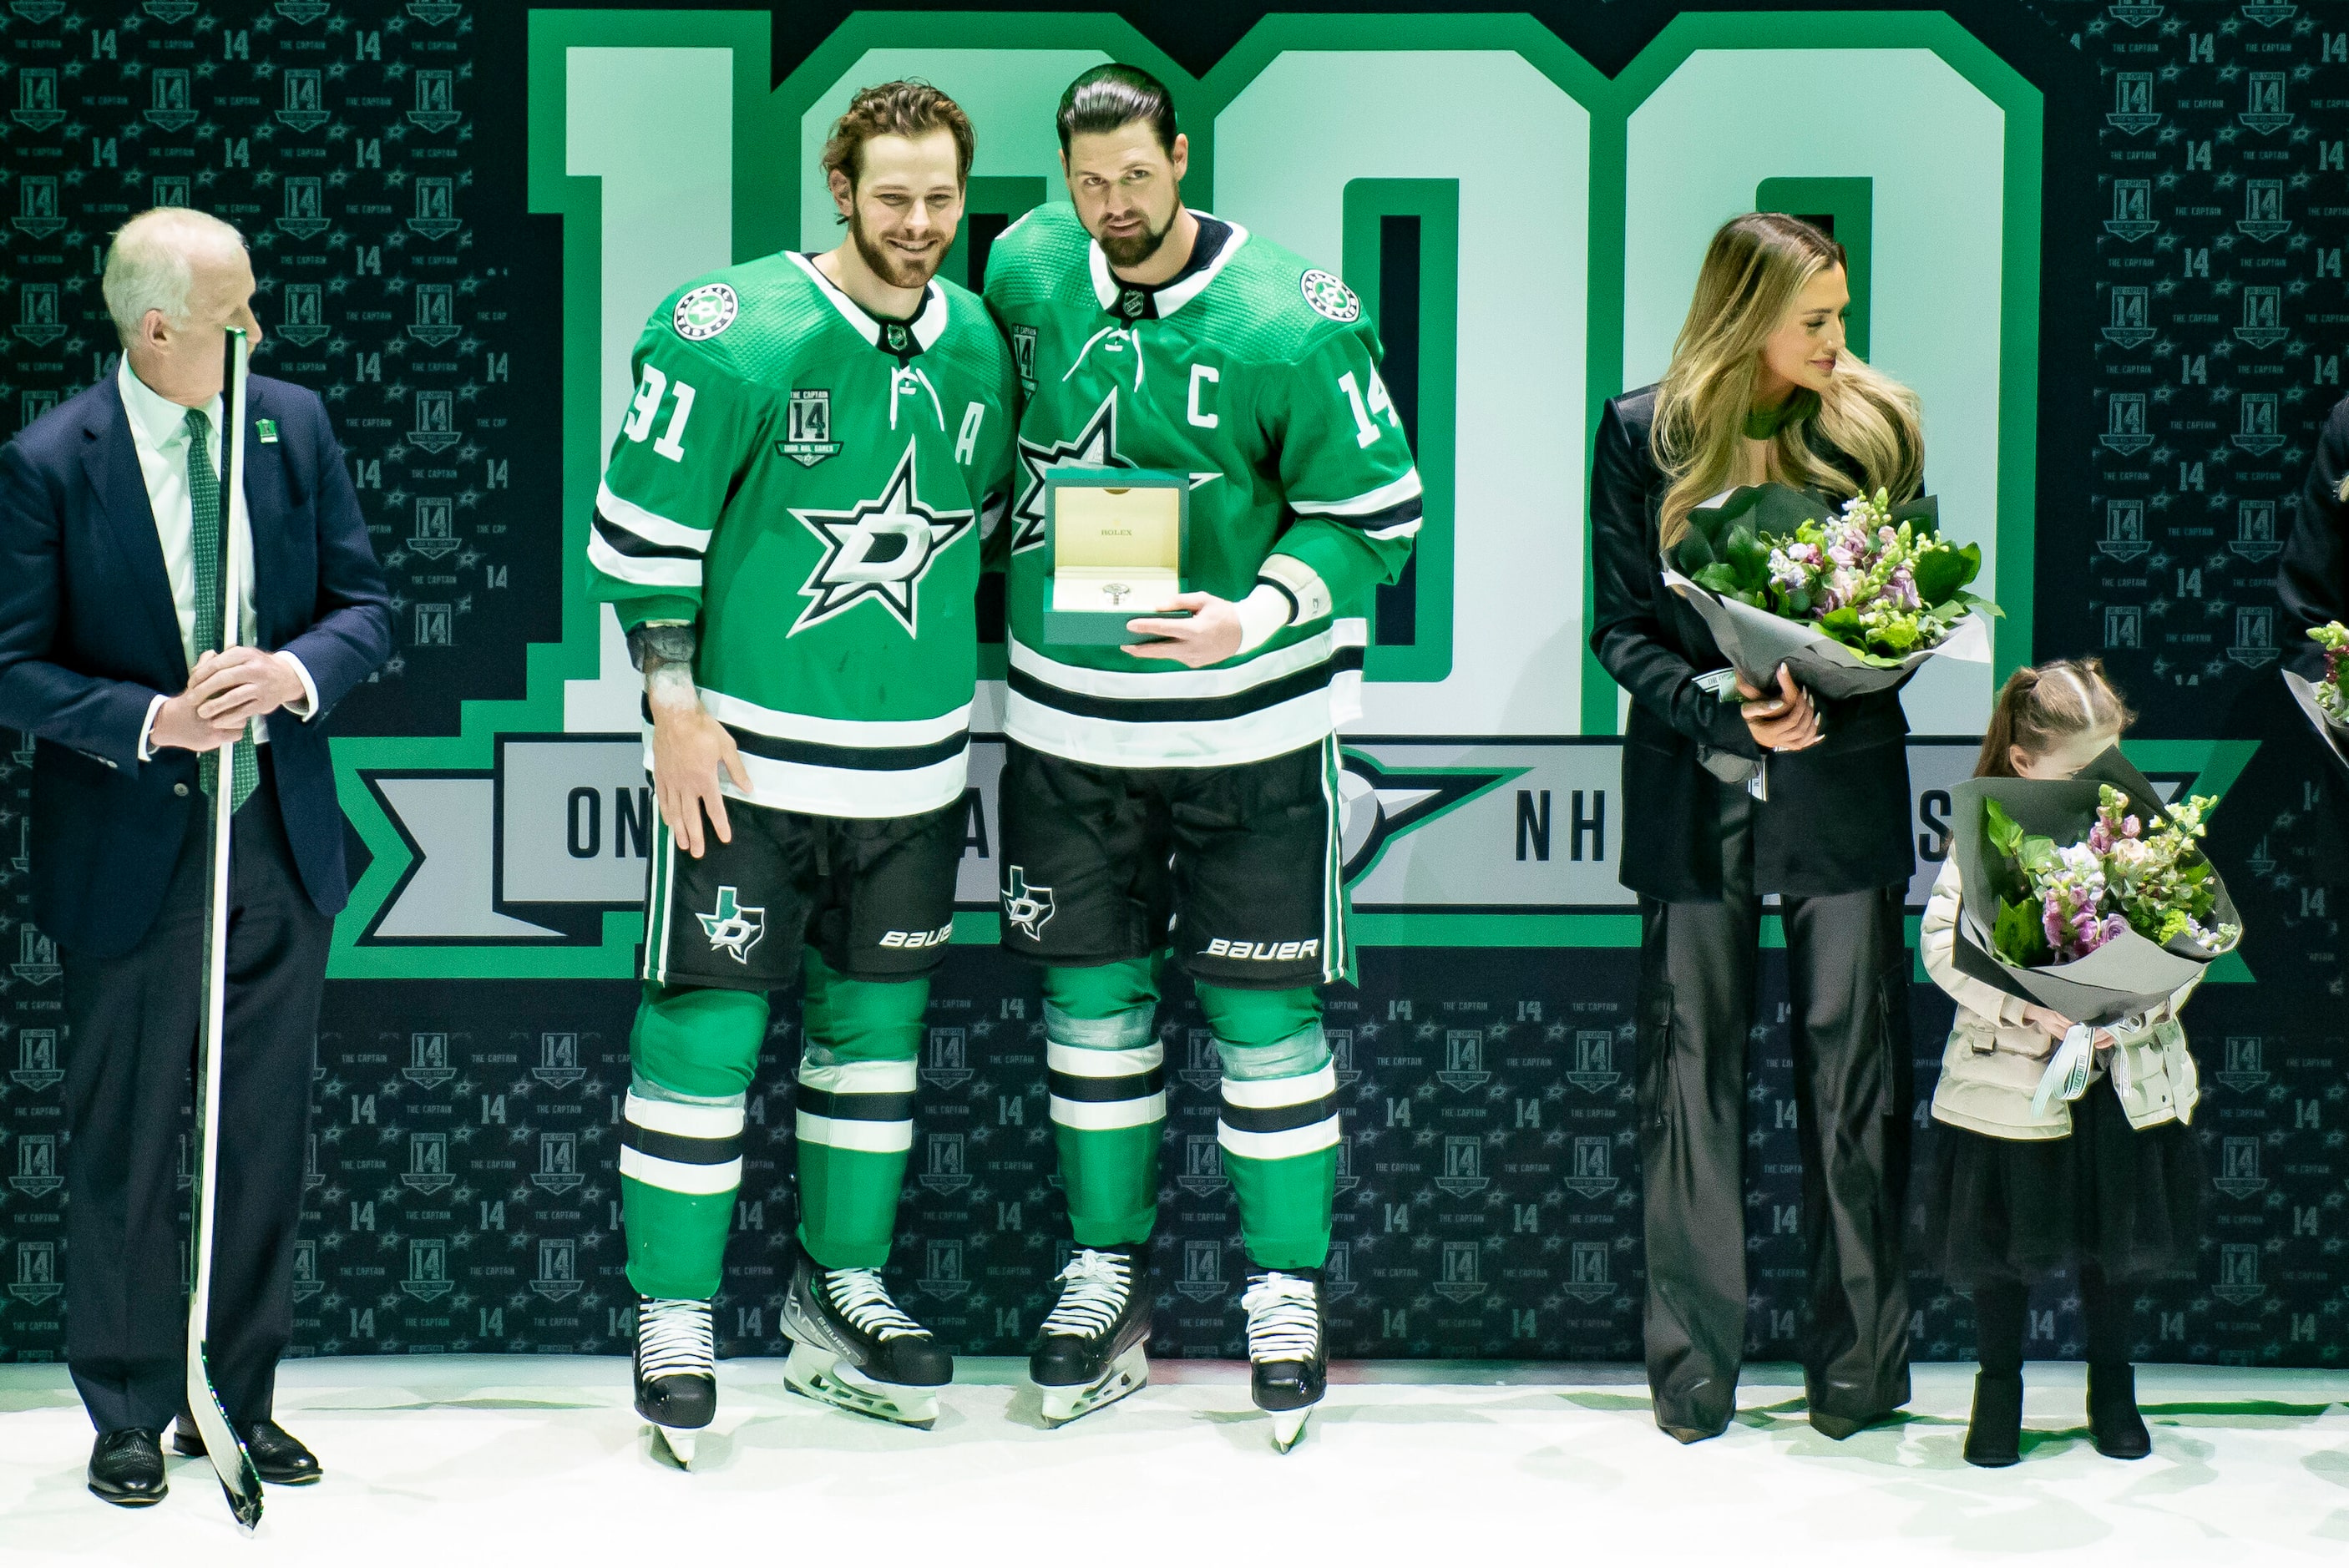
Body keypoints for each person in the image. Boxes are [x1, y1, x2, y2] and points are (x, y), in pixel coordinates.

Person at [982, 63, 1419, 1451]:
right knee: (1091, 1018)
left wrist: (1255, 607)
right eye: (1088, 181)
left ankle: (1282, 1291)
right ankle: (1104, 1270)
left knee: (1265, 1028)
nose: (1112, 206)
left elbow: (1381, 512)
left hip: (1251, 733)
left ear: (1183, 154)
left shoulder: (1295, 314)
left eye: (1136, 175)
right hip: (1065, 728)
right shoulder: (1026, 263)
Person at [585, 82, 1015, 1460]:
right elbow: (642, 527)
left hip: (909, 770)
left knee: (871, 1049)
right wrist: (669, 693)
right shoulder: (728, 329)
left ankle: (841, 1288)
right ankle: (674, 1311)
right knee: (703, 1038)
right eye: (891, 195)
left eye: (940, 196)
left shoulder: (984, 346)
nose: (918, 223)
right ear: (840, 187)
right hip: (748, 768)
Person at [0, 208, 392, 1505]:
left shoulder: (291, 425)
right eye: (236, 313)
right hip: (132, 849)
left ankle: (230, 1397)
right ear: (158, 327)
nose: (258, 332)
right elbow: (12, 665)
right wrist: (152, 721)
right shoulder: (52, 462)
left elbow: (365, 608)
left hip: (278, 841)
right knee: (122, 1138)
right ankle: (125, 1404)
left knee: (260, 1134)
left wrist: (287, 671)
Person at [1588, 212, 1926, 1444]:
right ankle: (1692, 1382)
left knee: (1856, 1080)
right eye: (1816, 321)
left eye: (1842, 315)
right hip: (1695, 791)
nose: (1839, 341)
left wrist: (1838, 674)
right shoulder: (1643, 432)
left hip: (1841, 790)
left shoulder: (1876, 425)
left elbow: (1904, 612)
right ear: (1747, 318)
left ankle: (1860, 1376)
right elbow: (1620, 627)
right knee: (1690, 1083)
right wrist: (1714, 704)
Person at [1916, 660, 2205, 1466]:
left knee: (2115, 1255)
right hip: (2015, 1085)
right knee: (2001, 1256)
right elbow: (1941, 949)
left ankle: (2112, 1390)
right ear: (2021, 763)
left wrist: (2137, 1009)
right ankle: (1997, 1395)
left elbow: (2189, 945)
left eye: (2110, 761)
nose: (2101, 782)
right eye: (2080, 769)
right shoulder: (1980, 836)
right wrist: (2024, 1009)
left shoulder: (2138, 826)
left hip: (2117, 1085)